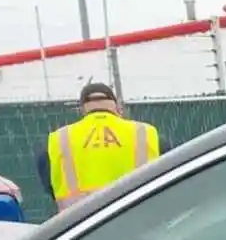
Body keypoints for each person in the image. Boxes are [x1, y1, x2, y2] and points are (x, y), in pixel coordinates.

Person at [41, 83, 161, 212]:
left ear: (82, 109)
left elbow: (50, 185)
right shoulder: (145, 133)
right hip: (138, 216)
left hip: (83, 223)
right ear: (117, 106)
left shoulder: (59, 139)